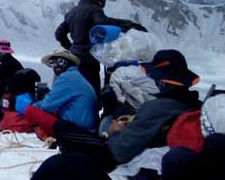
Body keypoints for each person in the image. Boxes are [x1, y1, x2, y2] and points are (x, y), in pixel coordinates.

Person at [51, 49, 202, 173]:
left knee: (61, 128)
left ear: (161, 81)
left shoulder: (155, 108)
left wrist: (111, 132)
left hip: (113, 155)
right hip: (145, 142)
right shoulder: (193, 105)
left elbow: (119, 152)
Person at [55, 0, 147, 96]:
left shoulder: (71, 12)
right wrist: (128, 24)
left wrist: (71, 48)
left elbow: (59, 34)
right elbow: (103, 22)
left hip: (73, 58)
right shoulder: (95, 9)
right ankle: (93, 110)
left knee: (75, 89)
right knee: (92, 91)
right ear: (101, 2)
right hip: (90, 58)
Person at [16, 50, 99, 137]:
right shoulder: (76, 75)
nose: (56, 66)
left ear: (69, 62)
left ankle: (43, 136)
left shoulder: (66, 77)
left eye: (60, 61)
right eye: (52, 63)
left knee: (30, 110)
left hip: (79, 129)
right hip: (87, 127)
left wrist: (32, 106)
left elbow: (46, 106)